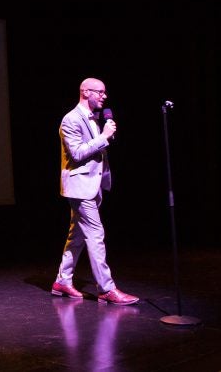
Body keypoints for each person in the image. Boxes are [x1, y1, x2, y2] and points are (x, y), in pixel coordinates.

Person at [51, 77, 139, 305]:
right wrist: (104, 136)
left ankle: (62, 280)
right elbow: (77, 153)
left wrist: (103, 134)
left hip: (92, 185)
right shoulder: (70, 119)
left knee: (77, 236)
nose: (104, 96)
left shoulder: (93, 117)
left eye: (104, 92)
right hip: (79, 188)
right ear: (85, 92)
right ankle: (106, 289)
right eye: (100, 92)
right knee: (95, 235)